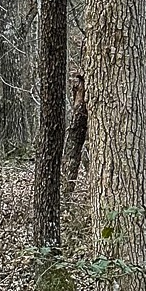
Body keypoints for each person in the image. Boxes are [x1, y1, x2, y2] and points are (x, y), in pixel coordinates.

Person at [63, 69, 88, 198]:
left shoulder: (86, 90)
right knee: (72, 156)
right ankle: (65, 192)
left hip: (81, 123)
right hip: (76, 126)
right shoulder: (77, 94)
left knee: (84, 154)